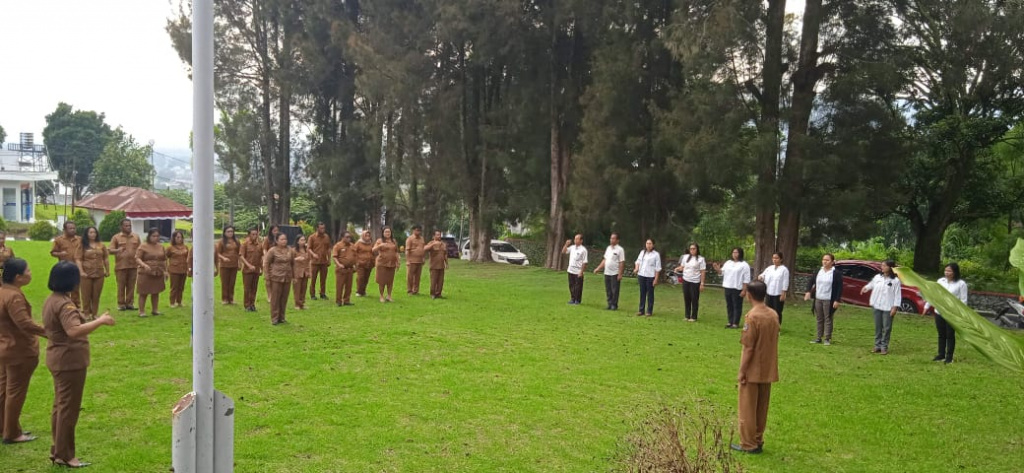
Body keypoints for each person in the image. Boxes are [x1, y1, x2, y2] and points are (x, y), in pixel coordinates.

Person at [43, 261, 115, 468]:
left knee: (60, 406)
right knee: (68, 408)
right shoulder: (64, 305)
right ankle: (65, 455)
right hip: (69, 362)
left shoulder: (52, 299)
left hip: (58, 358)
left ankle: (58, 450)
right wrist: (100, 321)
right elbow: (73, 330)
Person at [731, 280, 780, 455]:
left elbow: (748, 347)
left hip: (752, 369)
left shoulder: (752, 317)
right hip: (768, 367)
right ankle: (758, 439)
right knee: (761, 407)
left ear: (749, 295)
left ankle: (748, 443)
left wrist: (742, 371)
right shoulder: (773, 314)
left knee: (747, 408)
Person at [0, 258, 45, 445]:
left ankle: (4, 426)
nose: (30, 274)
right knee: (15, 392)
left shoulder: (3, 291)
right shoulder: (14, 296)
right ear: (18, 277)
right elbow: (24, 323)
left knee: (4, 390)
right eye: (28, 271)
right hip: (19, 350)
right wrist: (48, 332)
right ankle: (12, 433)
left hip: (5, 348)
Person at [929, 263, 968, 364]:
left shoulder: (961, 284)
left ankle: (949, 356)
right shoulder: (940, 281)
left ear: (955, 272)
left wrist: (961, 314)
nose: (947, 273)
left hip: (952, 313)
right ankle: (941, 354)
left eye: (949, 271)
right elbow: (934, 294)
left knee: (950, 335)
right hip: (939, 311)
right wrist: (927, 306)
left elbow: (963, 301)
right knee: (941, 334)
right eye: (945, 270)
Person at [860, 260, 902, 355]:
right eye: (881, 265)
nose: (882, 267)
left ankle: (884, 346)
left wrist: (895, 307)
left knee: (886, 328)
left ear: (890, 268)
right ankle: (877, 345)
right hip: (877, 305)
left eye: (884, 266)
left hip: (888, 307)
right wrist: (866, 288)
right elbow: (871, 284)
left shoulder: (895, 281)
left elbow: (897, 295)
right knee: (878, 326)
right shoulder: (878, 277)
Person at [803, 253, 844, 345]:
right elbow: (811, 281)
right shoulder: (819, 271)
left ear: (832, 262)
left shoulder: (835, 273)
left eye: (827, 260)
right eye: (823, 260)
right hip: (818, 298)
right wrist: (808, 291)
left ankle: (827, 338)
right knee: (819, 318)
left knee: (828, 318)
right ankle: (818, 337)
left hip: (829, 299)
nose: (825, 262)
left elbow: (839, 287)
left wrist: (837, 300)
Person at [75, 227, 109, 321]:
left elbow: (105, 258)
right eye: (90, 232)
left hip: (99, 273)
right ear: (86, 234)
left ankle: (94, 313)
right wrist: (81, 271)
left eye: (94, 232)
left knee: (96, 294)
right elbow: (78, 259)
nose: (93, 234)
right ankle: (86, 313)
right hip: (86, 273)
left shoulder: (101, 245)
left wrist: (107, 270)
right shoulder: (82, 245)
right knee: (86, 294)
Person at [714, 247, 751, 329]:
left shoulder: (744, 265)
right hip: (728, 286)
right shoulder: (728, 263)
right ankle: (730, 321)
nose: (734, 254)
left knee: (737, 305)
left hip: (737, 287)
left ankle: (735, 322)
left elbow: (746, 279)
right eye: (733, 252)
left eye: (736, 252)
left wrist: (744, 290)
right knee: (729, 305)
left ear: (740, 253)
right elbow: (722, 272)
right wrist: (717, 269)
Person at [109, 219, 141, 312]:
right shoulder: (116, 237)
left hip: (133, 265)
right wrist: (117, 250)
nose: (128, 227)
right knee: (121, 285)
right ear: (121, 227)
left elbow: (141, 249)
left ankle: (130, 303)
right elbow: (110, 250)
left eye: (129, 225)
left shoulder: (136, 237)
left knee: (131, 285)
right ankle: (121, 304)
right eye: (126, 225)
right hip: (121, 265)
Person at [135, 228, 168, 317]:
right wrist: (144, 265)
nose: (156, 238)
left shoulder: (161, 246)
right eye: (154, 236)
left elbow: (164, 260)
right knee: (143, 292)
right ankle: (141, 311)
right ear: (149, 236)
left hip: (158, 272)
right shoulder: (143, 246)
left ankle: (155, 310)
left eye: (157, 236)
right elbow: (137, 258)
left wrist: (165, 271)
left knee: (156, 291)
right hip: (145, 272)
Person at [50, 221, 82, 308]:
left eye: (74, 228)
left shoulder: (80, 239)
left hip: (76, 268)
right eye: (70, 228)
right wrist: (61, 254)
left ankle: (76, 306)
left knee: (76, 288)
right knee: (64, 287)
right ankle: (64, 305)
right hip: (64, 268)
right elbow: (53, 252)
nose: (73, 230)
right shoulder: (59, 240)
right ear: (64, 230)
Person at [265, 233, 294, 325]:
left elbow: (293, 263)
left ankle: (282, 317)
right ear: (277, 241)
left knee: (284, 298)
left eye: (285, 239)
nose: (284, 241)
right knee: (275, 298)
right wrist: (267, 276)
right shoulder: (272, 250)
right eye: (282, 239)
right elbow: (266, 263)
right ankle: (274, 317)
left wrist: (294, 275)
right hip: (276, 276)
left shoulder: (290, 250)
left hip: (287, 276)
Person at [593, 233, 626, 311]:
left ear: (617, 240)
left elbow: (621, 262)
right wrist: (598, 268)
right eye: (611, 238)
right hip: (607, 272)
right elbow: (605, 260)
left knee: (615, 289)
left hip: (615, 273)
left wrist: (620, 274)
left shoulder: (620, 250)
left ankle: (614, 304)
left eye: (613, 238)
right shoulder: (608, 248)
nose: (611, 240)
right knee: (608, 289)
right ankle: (609, 304)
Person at [675, 243, 706, 322]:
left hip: (695, 281)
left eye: (694, 249)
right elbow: (683, 267)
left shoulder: (700, 259)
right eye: (691, 249)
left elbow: (702, 271)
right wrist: (677, 268)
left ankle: (694, 316)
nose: (692, 250)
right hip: (686, 280)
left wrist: (702, 283)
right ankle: (687, 315)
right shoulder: (685, 257)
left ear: (697, 249)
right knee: (687, 298)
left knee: (694, 298)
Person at [757, 252, 789, 325]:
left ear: (781, 259)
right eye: (773, 258)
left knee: (777, 311)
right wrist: (760, 277)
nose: (774, 260)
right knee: (768, 310)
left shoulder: (784, 270)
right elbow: (763, 275)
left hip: (778, 293)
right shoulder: (769, 268)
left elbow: (785, 282)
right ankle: (769, 325)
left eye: (776, 258)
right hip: (769, 292)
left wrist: (783, 293)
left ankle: (777, 326)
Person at [633, 239, 662, 317]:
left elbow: (658, 268)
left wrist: (656, 279)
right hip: (642, 275)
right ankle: (641, 310)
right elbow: (638, 261)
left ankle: (649, 311)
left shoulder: (656, 255)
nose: (648, 245)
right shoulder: (642, 252)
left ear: (653, 245)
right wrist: (636, 268)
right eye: (647, 243)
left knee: (650, 294)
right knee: (642, 293)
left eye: (650, 243)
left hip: (650, 276)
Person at [239, 228, 264, 312]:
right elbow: (241, 256)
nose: (255, 236)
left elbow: (261, 257)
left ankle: (252, 304)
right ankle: (247, 305)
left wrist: (262, 268)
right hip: (247, 270)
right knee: (247, 288)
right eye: (253, 234)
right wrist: (248, 265)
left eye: (256, 234)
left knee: (254, 288)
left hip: (256, 270)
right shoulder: (245, 244)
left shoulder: (259, 245)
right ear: (249, 235)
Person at [166, 231, 192, 309]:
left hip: (183, 269)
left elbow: (188, 258)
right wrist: (166, 268)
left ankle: (179, 301)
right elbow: (165, 257)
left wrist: (189, 269)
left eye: (181, 237)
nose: (179, 239)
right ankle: (172, 302)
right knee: (174, 287)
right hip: (174, 270)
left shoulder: (185, 247)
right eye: (177, 237)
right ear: (174, 238)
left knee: (181, 287)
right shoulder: (170, 248)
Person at [215, 226, 241, 305]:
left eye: (231, 231)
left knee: (232, 282)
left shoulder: (236, 241)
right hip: (224, 265)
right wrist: (223, 258)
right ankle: (225, 299)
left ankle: (231, 298)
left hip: (234, 264)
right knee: (225, 282)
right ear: (224, 233)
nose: (230, 233)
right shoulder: (221, 242)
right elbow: (217, 253)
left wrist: (239, 263)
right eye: (228, 231)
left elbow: (239, 253)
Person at [373, 227, 400, 303]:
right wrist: (380, 245)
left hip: (391, 264)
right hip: (382, 263)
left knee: (390, 281)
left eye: (389, 232)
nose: (388, 233)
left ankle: (389, 296)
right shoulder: (379, 241)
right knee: (382, 281)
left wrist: (398, 262)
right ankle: (381, 296)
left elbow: (396, 252)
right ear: (383, 233)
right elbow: (373, 250)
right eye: (386, 232)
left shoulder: (393, 241)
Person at [307, 223, 332, 300]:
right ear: (317, 228)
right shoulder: (312, 237)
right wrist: (313, 254)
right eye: (321, 228)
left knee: (323, 279)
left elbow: (328, 248)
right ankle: (312, 294)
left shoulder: (326, 237)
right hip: (315, 262)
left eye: (324, 228)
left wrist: (329, 259)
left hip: (324, 261)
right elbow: (309, 248)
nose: (323, 230)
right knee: (313, 279)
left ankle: (322, 293)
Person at [332, 232, 357, 307]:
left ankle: (346, 300)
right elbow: (334, 257)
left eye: (349, 237)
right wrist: (339, 264)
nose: (349, 238)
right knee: (340, 285)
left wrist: (355, 265)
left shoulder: (352, 246)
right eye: (347, 237)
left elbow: (355, 256)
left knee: (349, 286)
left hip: (350, 269)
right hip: (341, 269)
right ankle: (338, 301)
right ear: (342, 237)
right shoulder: (338, 246)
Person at [562, 234, 588, 305]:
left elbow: (585, 262)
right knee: (571, 285)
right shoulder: (572, 247)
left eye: (577, 239)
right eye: (575, 239)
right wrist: (566, 244)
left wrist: (581, 272)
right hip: (570, 270)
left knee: (578, 286)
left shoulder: (583, 250)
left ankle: (577, 300)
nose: (575, 240)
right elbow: (564, 251)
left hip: (578, 271)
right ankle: (572, 298)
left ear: (581, 241)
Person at [292, 235, 315, 310]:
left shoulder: (307, 250)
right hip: (297, 271)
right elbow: (289, 261)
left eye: (304, 240)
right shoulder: (293, 250)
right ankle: (297, 304)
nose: (303, 241)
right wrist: (296, 259)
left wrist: (310, 272)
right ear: (297, 242)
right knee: (297, 289)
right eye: (301, 240)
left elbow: (309, 261)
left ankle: (302, 303)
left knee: (304, 288)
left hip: (305, 271)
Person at [425, 230, 448, 299]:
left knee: (441, 281)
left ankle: (438, 293)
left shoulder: (443, 244)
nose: (439, 236)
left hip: (441, 265)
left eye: (440, 235)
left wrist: (446, 263)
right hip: (434, 265)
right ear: (434, 236)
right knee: (433, 280)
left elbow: (445, 254)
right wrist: (433, 244)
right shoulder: (431, 243)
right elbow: (425, 248)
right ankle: (432, 294)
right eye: (437, 235)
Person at [405, 225, 426, 295]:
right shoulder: (410, 239)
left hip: (419, 260)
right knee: (410, 276)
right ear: (413, 230)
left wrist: (423, 258)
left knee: (417, 276)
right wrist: (408, 260)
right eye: (417, 230)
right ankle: (409, 290)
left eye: (419, 230)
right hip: (412, 261)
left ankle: (416, 290)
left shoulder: (422, 239)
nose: (418, 232)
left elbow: (423, 249)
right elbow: (407, 250)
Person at [262, 224, 281, 303]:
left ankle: (275, 295)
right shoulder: (267, 239)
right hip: (268, 261)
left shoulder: (279, 239)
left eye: (277, 230)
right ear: (271, 231)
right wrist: (267, 257)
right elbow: (264, 249)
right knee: (268, 279)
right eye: (274, 231)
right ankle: (269, 295)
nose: (276, 232)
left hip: (277, 261)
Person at [354, 230, 375, 297]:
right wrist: (356, 261)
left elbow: (373, 252)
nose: (367, 236)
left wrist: (373, 261)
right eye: (366, 235)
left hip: (369, 263)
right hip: (360, 264)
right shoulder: (358, 243)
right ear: (363, 236)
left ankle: (363, 291)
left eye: (368, 235)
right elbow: (354, 252)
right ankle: (359, 291)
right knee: (361, 277)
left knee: (366, 278)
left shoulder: (371, 243)